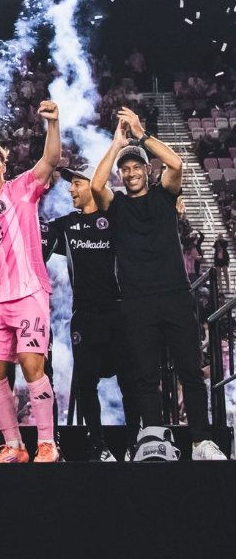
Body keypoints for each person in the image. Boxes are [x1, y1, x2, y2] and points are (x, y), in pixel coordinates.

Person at [90, 107, 227, 460]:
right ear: (121, 174)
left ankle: (201, 442)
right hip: (137, 300)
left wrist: (141, 135)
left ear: (148, 170)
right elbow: (95, 186)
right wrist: (117, 144)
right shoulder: (117, 205)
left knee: (190, 372)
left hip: (175, 295)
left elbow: (177, 164)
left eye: (136, 166)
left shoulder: (165, 194)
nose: (131, 172)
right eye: (125, 168)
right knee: (145, 376)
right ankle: (155, 440)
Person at [0, 100, 61, 463]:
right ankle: (14, 445)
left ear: (4, 167)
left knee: (32, 364)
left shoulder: (21, 188)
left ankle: (47, 443)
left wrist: (53, 124)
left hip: (29, 292)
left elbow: (50, 160)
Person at [45, 166, 134, 461]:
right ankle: (98, 445)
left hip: (119, 312)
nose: (71, 189)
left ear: (94, 185)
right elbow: (35, 236)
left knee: (129, 381)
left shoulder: (115, 219)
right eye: (70, 185)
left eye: (77, 183)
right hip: (84, 314)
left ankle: (135, 444)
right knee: (86, 383)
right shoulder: (67, 224)